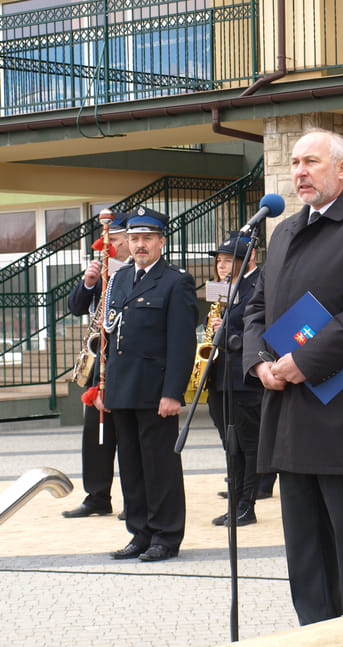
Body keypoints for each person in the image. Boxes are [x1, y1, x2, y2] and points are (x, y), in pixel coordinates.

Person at [242, 128, 343, 625]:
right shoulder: (285, 230)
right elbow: (256, 309)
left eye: (310, 161)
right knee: (307, 559)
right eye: (294, 162)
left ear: (342, 169)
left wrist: (304, 362)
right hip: (291, 417)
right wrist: (259, 362)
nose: (299, 172)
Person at [96, 206, 198, 561]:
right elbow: (108, 335)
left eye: (147, 239)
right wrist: (103, 389)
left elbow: (182, 343)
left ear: (161, 242)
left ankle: (166, 536)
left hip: (156, 392)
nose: (140, 245)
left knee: (160, 468)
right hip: (122, 390)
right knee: (132, 467)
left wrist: (173, 393)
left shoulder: (176, 281)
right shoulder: (120, 279)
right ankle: (140, 533)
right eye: (134, 238)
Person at [63, 212, 130, 518]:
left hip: (126, 363)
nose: (108, 247)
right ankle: (97, 496)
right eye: (105, 242)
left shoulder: (134, 272)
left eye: (113, 241)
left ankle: (135, 500)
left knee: (128, 435)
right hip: (98, 361)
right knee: (95, 432)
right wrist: (89, 281)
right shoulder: (100, 270)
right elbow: (76, 307)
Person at [207, 232, 264, 527]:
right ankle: (234, 500)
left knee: (247, 443)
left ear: (249, 259)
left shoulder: (260, 285)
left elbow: (266, 329)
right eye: (220, 261)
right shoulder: (221, 290)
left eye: (230, 261)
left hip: (244, 378)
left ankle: (247, 504)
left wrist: (229, 334)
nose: (223, 267)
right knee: (229, 443)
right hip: (219, 377)